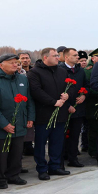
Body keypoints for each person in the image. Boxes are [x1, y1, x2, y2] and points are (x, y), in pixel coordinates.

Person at [0, 54, 35, 189]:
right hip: (2, 125)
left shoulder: (22, 79)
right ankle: (0, 178)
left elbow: (29, 100)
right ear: (1, 65)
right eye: (11, 62)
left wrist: (30, 117)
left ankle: (13, 175)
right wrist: (4, 124)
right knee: (1, 153)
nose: (15, 65)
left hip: (20, 122)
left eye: (16, 62)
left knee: (17, 151)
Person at [28, 47, 73, 179]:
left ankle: (55, 166)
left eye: (58, 56)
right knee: (41, 144)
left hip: (60, 113)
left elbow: (71, 86)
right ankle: (42, 169)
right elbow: (36, 91)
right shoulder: (34, 72)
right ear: (45, 57)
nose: (58, 58)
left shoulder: (62, 71)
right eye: (55, 56)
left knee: (57, 142)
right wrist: (53, 102)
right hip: (44, 114)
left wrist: (68, 95)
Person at [62, 48, 87, 168]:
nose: (78, 57)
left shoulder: (80, 70)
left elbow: (86, 85)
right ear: (66, 57)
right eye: (75, 55)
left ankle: (73, 158)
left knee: (75, 135)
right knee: (62, 135)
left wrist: (84, 95)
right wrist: (67, 105)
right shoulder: (60, 70)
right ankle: (61, 158)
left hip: (78, 108)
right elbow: (57, 90)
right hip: (64, 109)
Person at [83, 47, 98, 156]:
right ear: (93, 58)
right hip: (93, 102)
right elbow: (88, 86)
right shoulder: (88, 71)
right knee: (93, 128)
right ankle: (92, 150)